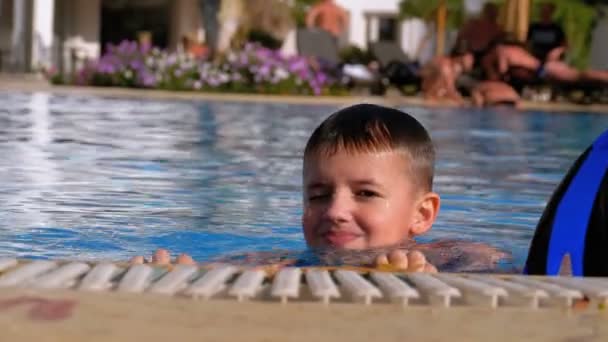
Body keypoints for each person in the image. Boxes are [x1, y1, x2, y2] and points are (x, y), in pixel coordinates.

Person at [132, 104, 506, 272]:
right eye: (318, 194)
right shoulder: (285, 264)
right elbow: (217, 271)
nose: (335, 211)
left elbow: (506, 274)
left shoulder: (453, 258)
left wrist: (432, 284)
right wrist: (177, 274)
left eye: (365, 193)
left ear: (421, 214)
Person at [481, 43, 608, 84]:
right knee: (580, 76)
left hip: (543, 69)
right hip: (543, 67)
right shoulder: (509, 48)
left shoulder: (500, 51)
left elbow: (502, 72)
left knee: (580, 76)